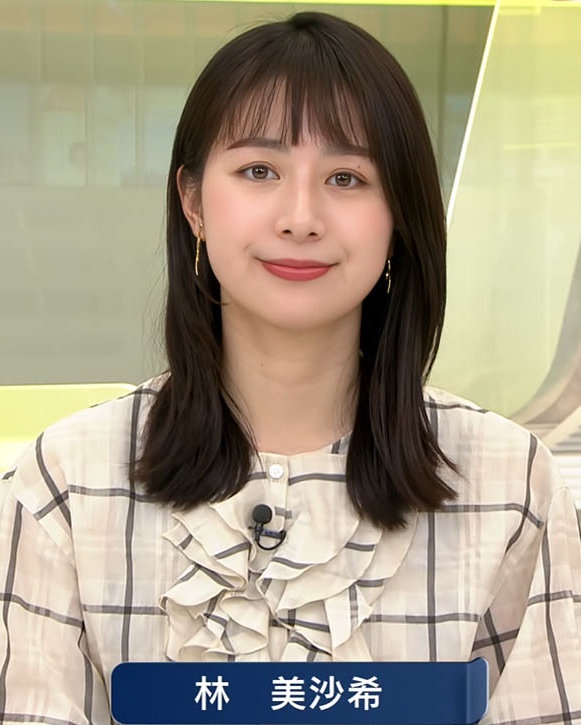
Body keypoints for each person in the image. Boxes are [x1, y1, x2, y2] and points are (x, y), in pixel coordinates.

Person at [1, 11, 580, 725]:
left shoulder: (510, 484)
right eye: (259, 171)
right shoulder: (65, 483)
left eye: (346, 177)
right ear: (192, 202)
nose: (300, 217)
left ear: (398, 215)